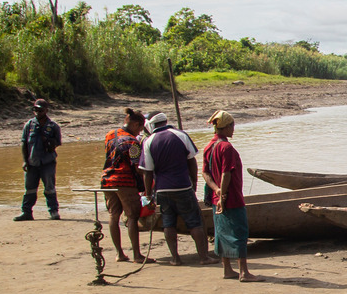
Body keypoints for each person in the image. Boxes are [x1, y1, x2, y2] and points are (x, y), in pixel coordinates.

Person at [141, 112, 212, 265]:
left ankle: (175, 258)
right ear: (165, 121)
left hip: (162, 189)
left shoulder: (148, 141)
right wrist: (193, 183)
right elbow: (192, 161)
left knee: (168, 223)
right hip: (182, 186)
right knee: (195, 222)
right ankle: (203, 257)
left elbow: (147, 172)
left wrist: (148, 195)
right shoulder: (180, 135)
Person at [203, 110, 262, 282]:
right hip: (231, 199)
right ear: (226, 127)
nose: (233, 130)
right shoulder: (225, 147)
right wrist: (223, 194)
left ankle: (227, 269)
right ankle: (244, 272)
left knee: (221, 232)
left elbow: (205, 174)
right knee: (239, 233)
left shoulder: (209, 146)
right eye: (232, 126)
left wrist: (216, 190)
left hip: (218, 198)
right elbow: (226, 173)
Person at [101, 108, 152, 264]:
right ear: (136, 124)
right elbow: (137, 167)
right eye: (139, 129)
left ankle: (119, 253)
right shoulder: (133, 142)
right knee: (132, 216)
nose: (139, 133)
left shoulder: (110, 134)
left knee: (113, 215)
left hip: (107, 180)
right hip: (124, 181)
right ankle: (137, 254)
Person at [15, 98, 62, 221]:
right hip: (32, 163)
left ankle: (53, 211)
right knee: (29, 189)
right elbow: (24, 144)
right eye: (35, 109)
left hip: (48, 163)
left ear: (46, 110)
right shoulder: (29, 125)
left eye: (40, 110)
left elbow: (58, 142)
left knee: (49, 188)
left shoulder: (53, 126)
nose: (37, 112)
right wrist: (25, 161)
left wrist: (52, 144)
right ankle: (26, 212)